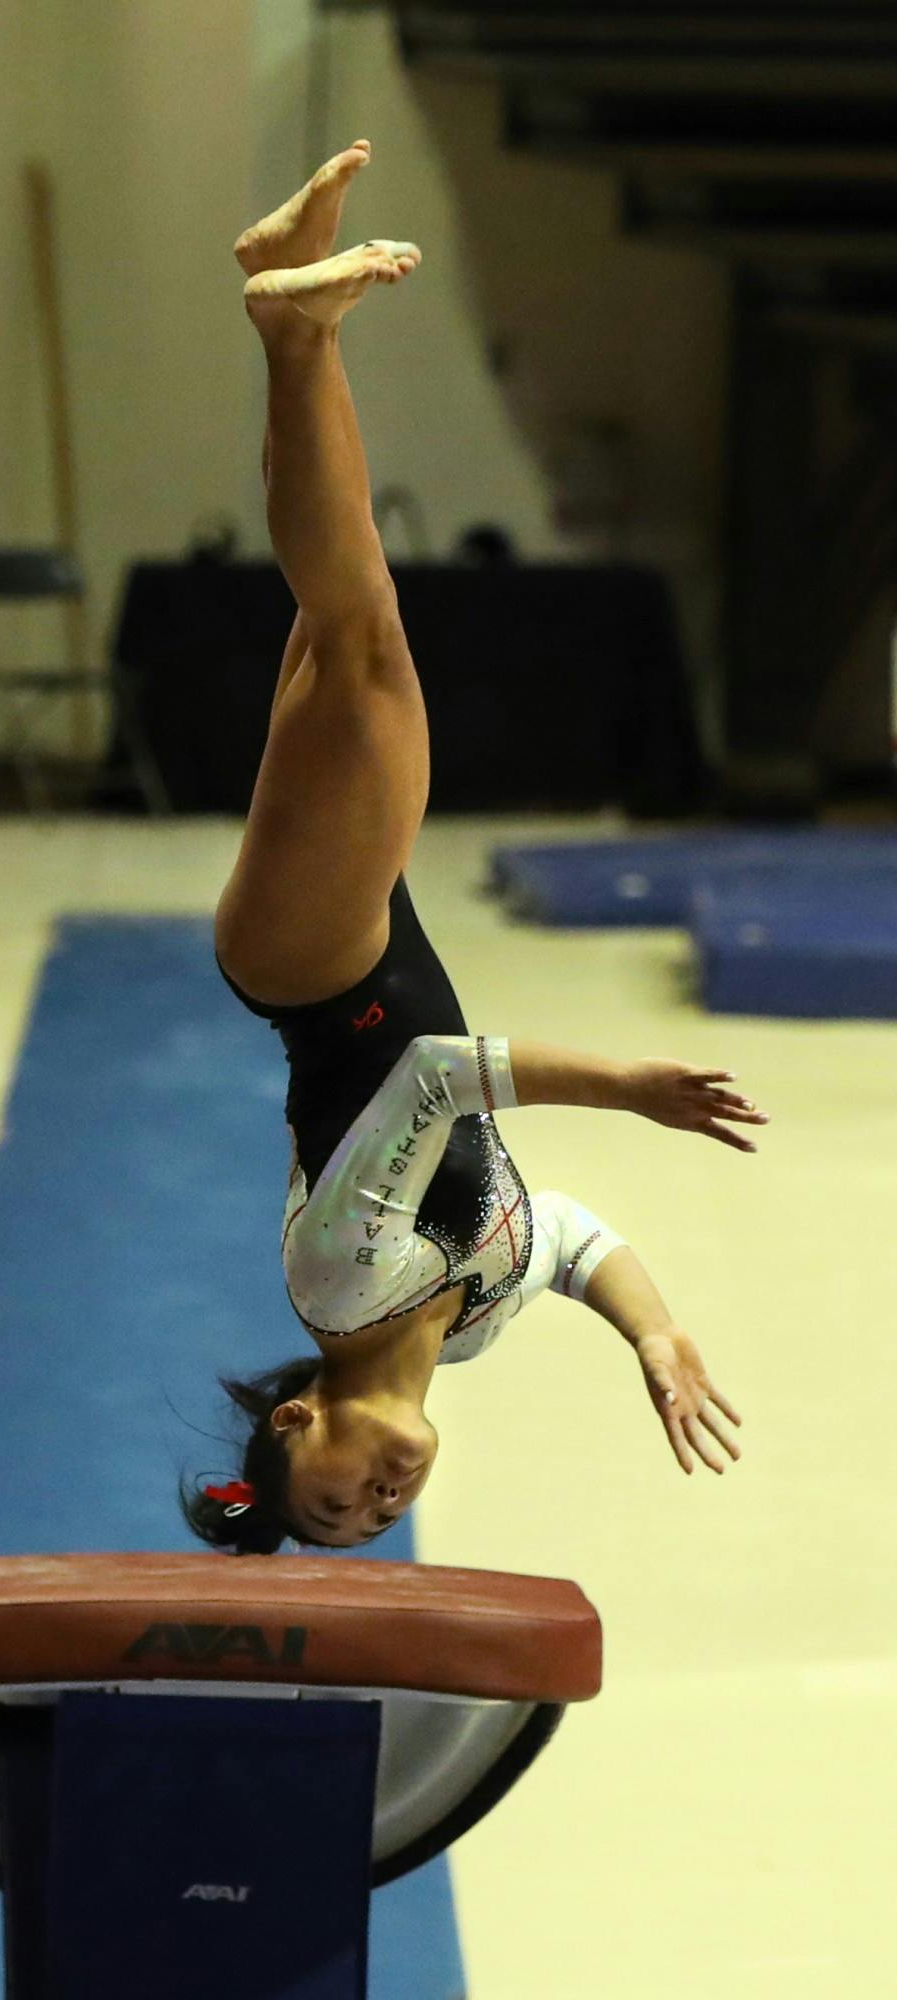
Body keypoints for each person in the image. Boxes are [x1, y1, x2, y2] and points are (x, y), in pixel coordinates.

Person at [181, 140, 764, 1557]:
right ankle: (279, 303)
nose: (379, 1500)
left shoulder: (338, 1282)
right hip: (355, 932)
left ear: (297, 1422)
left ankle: (290, 326)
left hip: (313, 964)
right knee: (341, 621)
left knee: (364, 627)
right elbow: (559, 1231)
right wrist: (658, 1335)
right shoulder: (477, 1317)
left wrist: (627, 1084)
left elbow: (438, 1079)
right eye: (379, 1521)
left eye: (334, 1499)